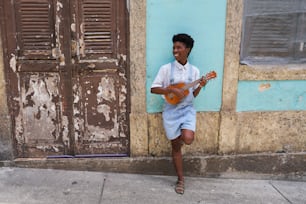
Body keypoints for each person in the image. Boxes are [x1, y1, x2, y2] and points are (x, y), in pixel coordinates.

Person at [150, 33, 207, 194]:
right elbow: (153, 88)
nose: (175, 50)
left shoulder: (194, 71)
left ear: (187, 50)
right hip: (171, 111)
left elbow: (192, 95)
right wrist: (170, 89)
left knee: (188, 138)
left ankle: (181, 137)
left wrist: (201, 85)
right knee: (175, 146)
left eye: (179, 47)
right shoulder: (166, 69)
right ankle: (181, 179)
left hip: (187, 110)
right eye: (174, 47)